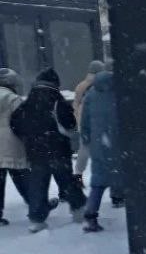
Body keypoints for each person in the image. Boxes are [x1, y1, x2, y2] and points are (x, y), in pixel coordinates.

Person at [10, 68, 87, 232]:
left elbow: (15, 123)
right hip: (58, 150)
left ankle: (36, 219)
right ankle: (79, 210)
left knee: (37, 185)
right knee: (67, 182)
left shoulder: (28, 103)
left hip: (36, 152)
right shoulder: (57, 101)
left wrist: (28, 137)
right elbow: (70, 125)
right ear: (55, 84)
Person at [80, 70, 123, 232]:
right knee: (127, 177)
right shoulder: (118, 94)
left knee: (98, 182)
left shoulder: (91, 95)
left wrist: (86, 137)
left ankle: (90, 216)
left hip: (98, 145)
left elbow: (84, 120)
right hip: (118, 143)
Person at [0, 68, 31, 226]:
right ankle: (34, 204)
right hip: (12, 143)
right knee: (21, 176)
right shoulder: (13, 99)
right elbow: (22, 122)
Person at [72, 60, 106, 183]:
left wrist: (78, 119)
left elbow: (76, 104)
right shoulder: (103, 83)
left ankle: (78, 175)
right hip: (100, 121)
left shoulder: (81, 85)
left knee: (84, 149)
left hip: (84, 121)